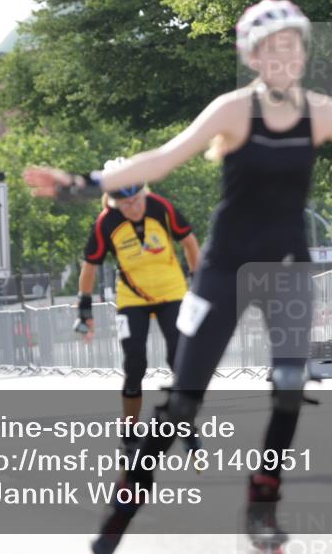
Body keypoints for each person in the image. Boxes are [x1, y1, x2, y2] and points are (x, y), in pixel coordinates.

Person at [24, 0, 332, 554]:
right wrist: (83, 181)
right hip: (225, 267)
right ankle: (119, 518)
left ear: (303, 52)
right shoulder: (233, 111)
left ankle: (262, 505)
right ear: (254, 58)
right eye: (270, 49)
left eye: (291, 45)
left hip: (286, 266)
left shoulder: (323, 112)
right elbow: (160, 160)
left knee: (289, 388)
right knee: (182, 403)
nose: (282, 56)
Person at [75, 157, 202, 455]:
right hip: (132, 298)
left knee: (178, 359)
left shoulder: (161, 207)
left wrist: (198, 285)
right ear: (113, 201)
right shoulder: (106, 222)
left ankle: (185, 424)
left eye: (136, 200)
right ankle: (130, 431)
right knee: (135, 364)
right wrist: (84, 309)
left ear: (143, 191)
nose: (133, 208)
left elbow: (190, 243)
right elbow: (90, 267)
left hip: (172, 292)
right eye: (125, 204)